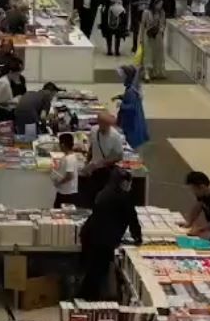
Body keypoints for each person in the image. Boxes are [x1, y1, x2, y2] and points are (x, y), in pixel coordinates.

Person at [78, 169, 142, 300]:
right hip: (103, 238)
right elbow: (132, 219)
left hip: (90, 233)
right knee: (98, 269)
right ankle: (88, 299)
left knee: (91, 268)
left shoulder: (104, 192)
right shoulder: (123, 197)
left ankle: (85, 297)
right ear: (124, 183)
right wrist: (138, 238)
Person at [79, 113, 124, 206]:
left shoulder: (115, 136)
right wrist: (87, 163)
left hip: (106, 171)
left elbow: (119, 156)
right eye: (101, 124)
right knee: (92, 195)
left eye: (106, 125)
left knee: (104, 198)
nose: (104, 127)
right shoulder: (94, 130)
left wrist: (103, 163)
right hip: (94, 171)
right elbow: (92, 147)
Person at [115, 65, 149, 148]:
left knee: (130, 140)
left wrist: (121, 105)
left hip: (131, 121)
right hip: (134, 119)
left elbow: (132, 107)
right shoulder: (132, 88)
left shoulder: (131, 91)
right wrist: (120, 96)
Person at [139, 0, 166, 81]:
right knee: (148, 54)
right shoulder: (146, 12)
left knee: (157, 54)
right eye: (159, 4)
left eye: (161, 4)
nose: (160, 6)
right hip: (148, 35)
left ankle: (156, 71)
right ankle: (147, 72)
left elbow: (162, 23)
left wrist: (161, 29)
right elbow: (143, 25)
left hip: (158, 36)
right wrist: (140, 38)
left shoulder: (162, 13)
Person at [52, 133, 80, 207]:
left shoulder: (69, 159)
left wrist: (59, 182)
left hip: (67, 192)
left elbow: (70, 175)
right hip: (63, 191)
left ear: (63, 145)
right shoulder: (68, 157)